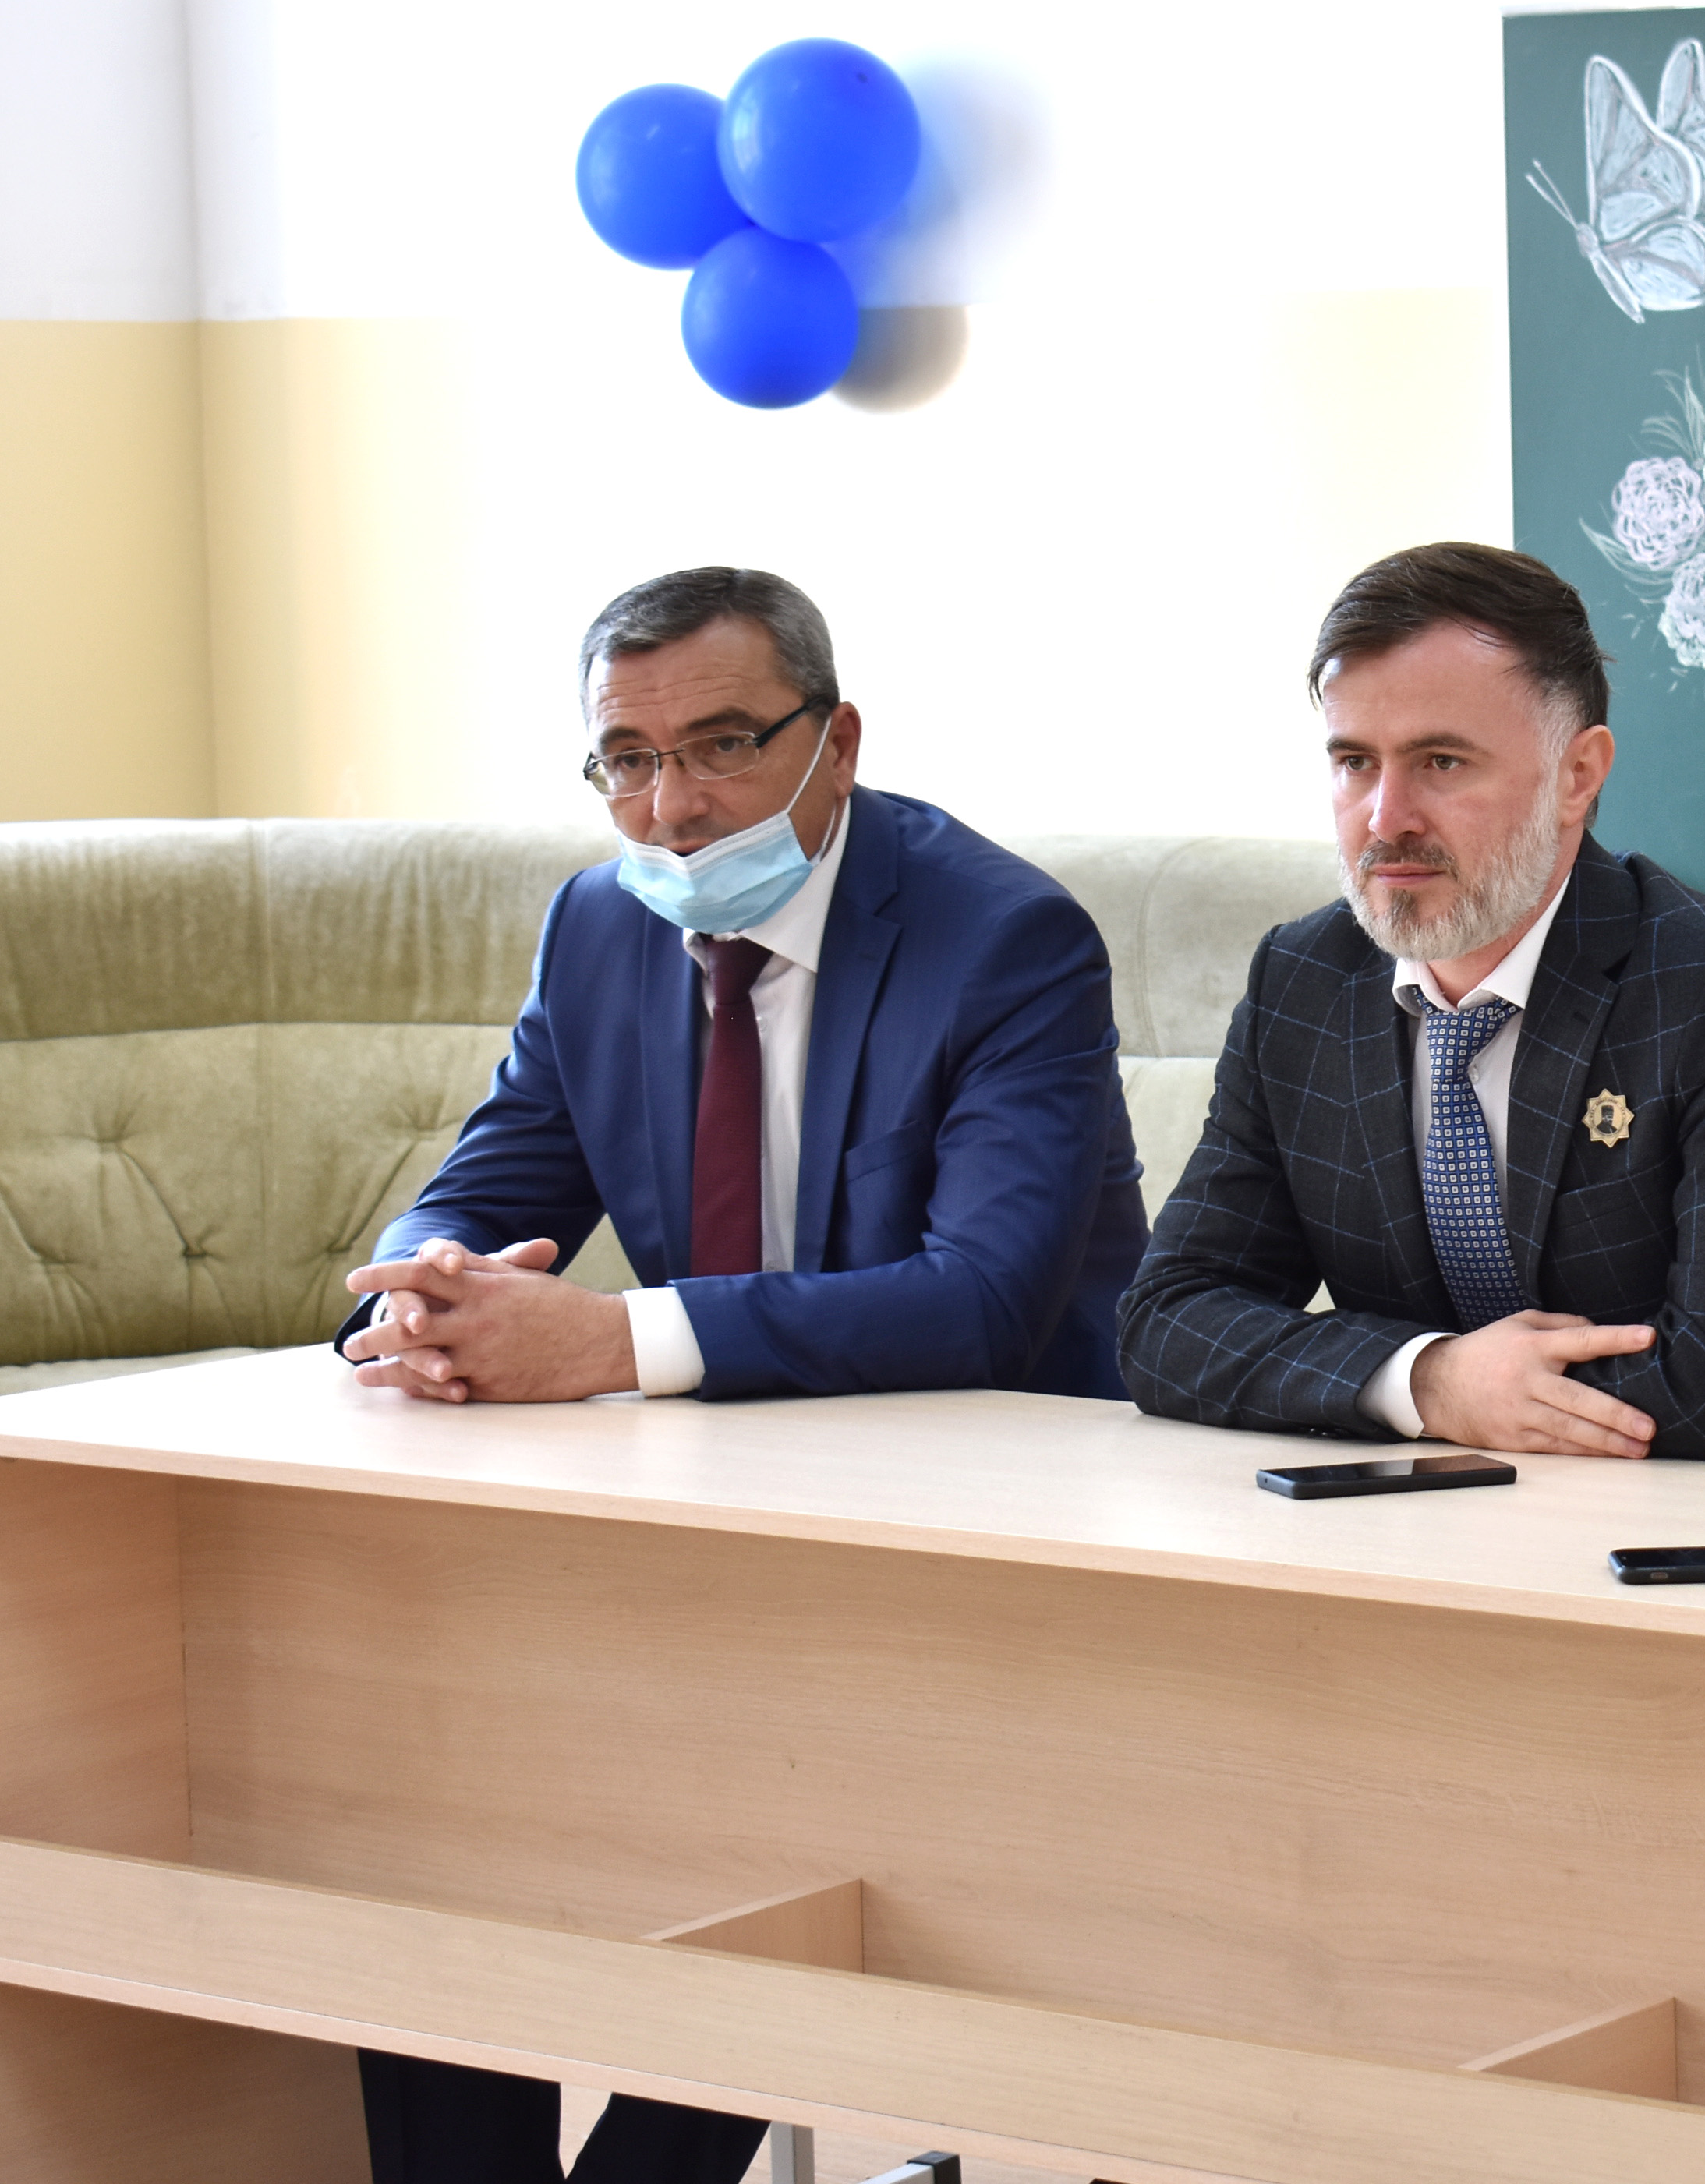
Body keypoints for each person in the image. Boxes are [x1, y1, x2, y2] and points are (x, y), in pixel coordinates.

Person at [336, 566, 1149, 2183]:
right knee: (425, 1815)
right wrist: (429, 1284)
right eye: (626, 761)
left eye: (720, 746)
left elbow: (983, 1303)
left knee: (745, 1864)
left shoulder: (1004, 939)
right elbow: (485, 1183)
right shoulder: (598, 923)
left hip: (984, 1528)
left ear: (834, 743)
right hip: (708, 1507)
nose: (673, 808)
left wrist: (611, 1340)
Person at [1119, 541, 1705, 1465]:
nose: (1385, 818)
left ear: (1577, 776)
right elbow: (1167, 1322)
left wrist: (1470, 1396)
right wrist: (1427, 1380)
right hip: (1447, 1519)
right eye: (1355, 762)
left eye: (1441, 761)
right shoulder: (1302, 981)